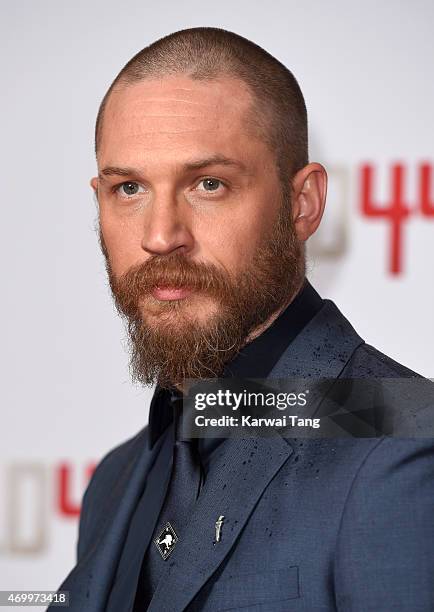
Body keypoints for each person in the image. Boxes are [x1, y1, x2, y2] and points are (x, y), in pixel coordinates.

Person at [52, 27, 434, 611]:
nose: (159, 236)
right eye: (129, 188)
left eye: (209, 184)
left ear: (302, 203)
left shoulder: (403, 442)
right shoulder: (116, 478)